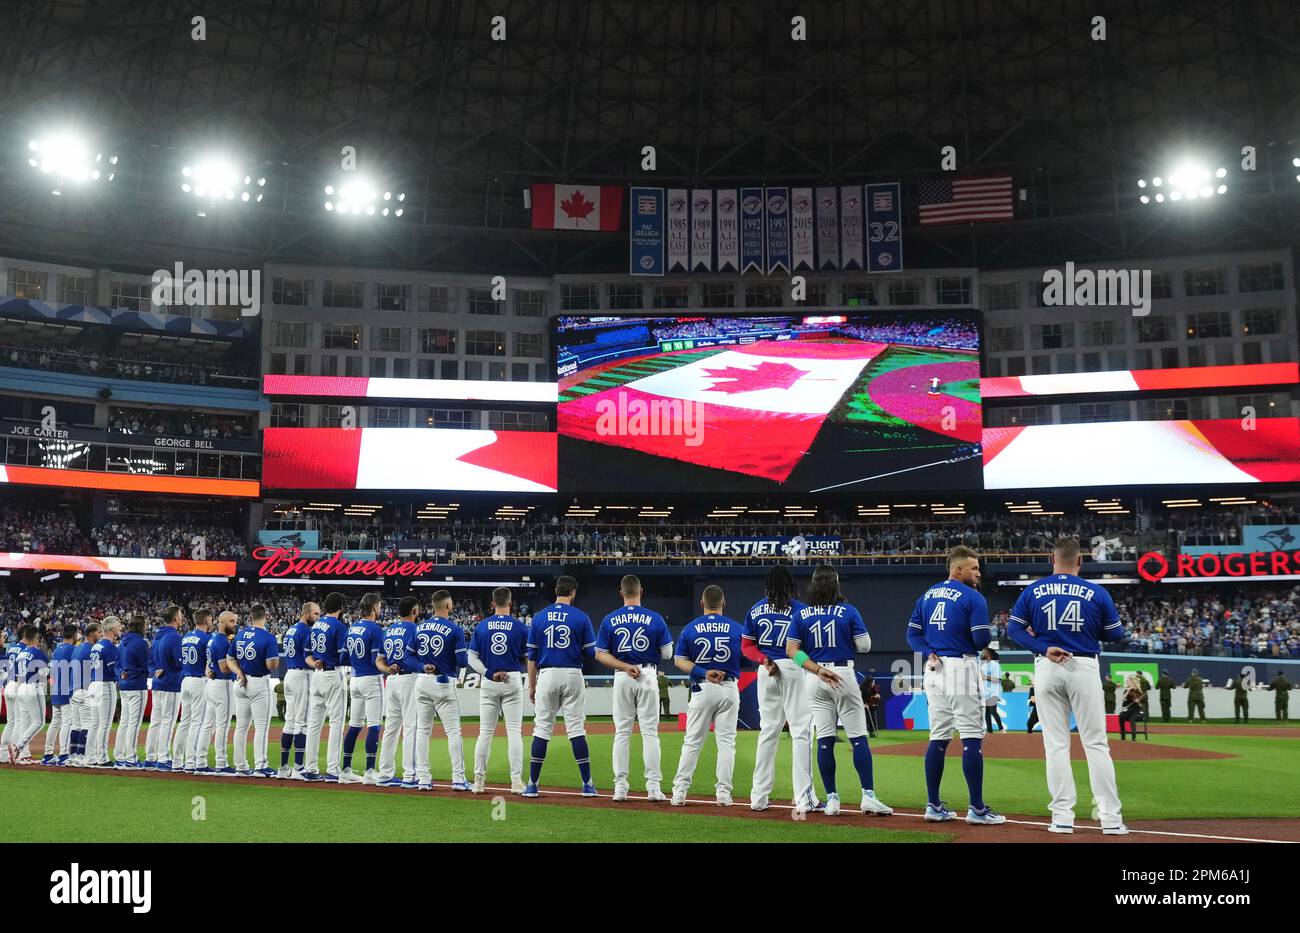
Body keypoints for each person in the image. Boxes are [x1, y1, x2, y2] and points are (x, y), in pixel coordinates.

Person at [1008, 537, 1128, 835]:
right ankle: (1110, 819)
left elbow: (1013, 629)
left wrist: (1042, 646)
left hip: (1047, 665)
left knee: (1056, 746)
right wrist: (1091, 627)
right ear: (1080, 561)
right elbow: (1117, 634)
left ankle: (1062, 817)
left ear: (1052, 558)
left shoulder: (1033, 590)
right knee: (1096, 744)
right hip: (1083, 664)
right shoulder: (1096, 591)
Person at [906, 545, 1005, 825]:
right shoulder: (973, 596)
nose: (978, 573)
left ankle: (933, 805)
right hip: (961, 665)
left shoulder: (927, 594)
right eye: (974, 568)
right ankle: (977, 809)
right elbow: (981, 640)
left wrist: (929, 650)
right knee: (972, 736)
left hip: (933, 669)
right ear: (958, 569)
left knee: (938, 737)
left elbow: (912, 634)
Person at [787, 565, 892, 817]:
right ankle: (868, 796)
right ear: (835, 584)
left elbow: (791, 650)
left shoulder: (802, 614)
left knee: (824, 739)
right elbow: (865, 645)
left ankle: (832, 799)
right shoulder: (848, 610)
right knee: (858, 737)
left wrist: (816, 669)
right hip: (843, 675)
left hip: (815, 676)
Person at [741, 564, 817, 813]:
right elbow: (807, 648)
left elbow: (747, 646)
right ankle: (805, 799)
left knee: (768, 732)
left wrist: (764, 660)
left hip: (766, 670)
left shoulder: (755, 608)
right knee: (801, 733)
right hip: (794, 668)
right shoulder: (801, 610)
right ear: (790, 584)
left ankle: (758, 798)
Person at [594, 575, 672, 803]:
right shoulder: (655, 618)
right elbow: (667, 653)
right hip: (647, 674)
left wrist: (625, 665)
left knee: (622, 732)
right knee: (650, 732)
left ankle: (620, 787)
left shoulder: (610, 619)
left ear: (621, 593)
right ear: (641, 591)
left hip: (622, 674)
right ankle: (654, 788)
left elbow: (600, 654)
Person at [524, 575, 597, 798]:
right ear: (573, 592)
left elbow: (532, 656)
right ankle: (587, 784)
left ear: (556, 590)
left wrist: (532, 685)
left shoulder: (539, 617)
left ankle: (532, 784)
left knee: (542, 729)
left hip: (546, 674)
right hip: (572, 672)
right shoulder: (581, 617)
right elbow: (590, 653)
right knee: (576, 729)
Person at [671, 584, 743, 807]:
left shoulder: (691, 628)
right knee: (726, 744)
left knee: (692, 742)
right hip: (729, 688)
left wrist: (703, 671)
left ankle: (680, 792)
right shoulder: (736, 628)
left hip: (702, 686)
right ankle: (723, 794)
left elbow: (679, 660)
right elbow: (749, 658)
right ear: (724, 603)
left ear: (702, 603)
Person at [412, 589, 470, 791]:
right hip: (444, 681)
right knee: (453, 732)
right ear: (448, 605)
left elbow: (408, 657)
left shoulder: (419, 628)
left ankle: (423, 779)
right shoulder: (454, 629)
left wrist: (422, 666)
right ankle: (458, 779)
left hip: (421, 681)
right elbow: (462, 661)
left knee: (422, 732)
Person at [229, 604, 280, 777]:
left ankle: (241, 766)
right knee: (261, 727)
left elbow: (229, 659)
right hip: (258, 683)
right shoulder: (268, 637)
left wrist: (239, 673)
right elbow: (271, 665)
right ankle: (260, 765)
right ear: (266, 615)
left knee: (241, 726)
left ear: (250, 616)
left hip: (241, 682)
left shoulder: (240, 634)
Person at [339, 592, 386, 784]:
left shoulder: (351, 628)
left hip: (355, 680)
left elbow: (343, 658)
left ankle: (346, 769)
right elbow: (377, 660)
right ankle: (369, 771)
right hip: (371, 679)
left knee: (355, 725)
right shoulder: (375, 630)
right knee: (374, 725)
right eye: (380, 606)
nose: (380, 609)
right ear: (374, 607)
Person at [376, 596, 423, 789]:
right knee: (411, 726)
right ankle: (410, 775)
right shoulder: (415, 629)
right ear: (414, 611)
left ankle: (385, 773)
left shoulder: (388, 630)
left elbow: (379, 661)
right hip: (408, 679)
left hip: (392, 679)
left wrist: (388, 670)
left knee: (391, 728)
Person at [302, 592, 348, 781]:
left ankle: (310, 768)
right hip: (332, 674)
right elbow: (343, 656)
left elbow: (307, 654)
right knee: (336, 723)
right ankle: (332, 769)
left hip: (317, 675)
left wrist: (315, 664)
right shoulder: (339, 626)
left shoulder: (316, 626)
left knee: (314, 724)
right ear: (341, 608)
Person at [194, 611, 239, 774]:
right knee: (222, 725)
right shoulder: (222, 642)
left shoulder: (212, 639)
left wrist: (209, 671)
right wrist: (239, 667)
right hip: (222, 685)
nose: (235, 624)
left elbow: (208, 665)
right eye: (232, 621)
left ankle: (200, 761)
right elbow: (224, 668)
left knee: (207, 725)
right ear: (222, 622)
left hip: (211, 684)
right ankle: (221, 762)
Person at [277, 602, 318, 779]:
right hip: (303, 675)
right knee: (302, 723)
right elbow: (312, 654)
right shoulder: (306, 631)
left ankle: (283, 767)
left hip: (289, 674)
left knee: (290, 722)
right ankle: (299, 768)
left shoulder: (290, 630)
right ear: (306, 613)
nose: (317, 618)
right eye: (315, 614)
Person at [144, 605, 183, 771]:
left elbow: (150, 660)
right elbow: (179, 661)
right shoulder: (174, 637)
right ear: (175, 619)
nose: (182, 618)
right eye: (180, 615)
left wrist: (155, 671)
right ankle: (163, 757)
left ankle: (150, 757)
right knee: (168, 721)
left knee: (156, 721)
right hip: (171, 683)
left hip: (158, 683)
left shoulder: (157, 636)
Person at [175, 610, 211, 773]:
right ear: (207, 620)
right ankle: (191, 761)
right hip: (199, 680)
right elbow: (209, 663)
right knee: (198, 722)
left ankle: (177, 761)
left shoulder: (186, 637)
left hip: (186, 679)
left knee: (184, 722)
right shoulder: (206, 638)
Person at [6, 625, 48, 764]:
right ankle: (18, 746)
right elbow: (43, 674)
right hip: (33, 687)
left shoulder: (21, 653)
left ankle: (21, 753)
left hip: (21, 687)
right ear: (36, 638)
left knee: (24, 721)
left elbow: (18, 675)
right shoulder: (37, 652)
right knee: (39, 722)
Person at [113, 615, 150, 769]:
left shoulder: (122, 643)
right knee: (133, 724)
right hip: (137, 684)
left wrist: (122, 676)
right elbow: (147, 664)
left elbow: (117, 664)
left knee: (124, 722)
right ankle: (131, 758)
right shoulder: (140, 643)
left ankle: (119, 756)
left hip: (124, 685)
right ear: (141, 626)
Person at [40, 624, 79, 765]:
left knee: (55, 721)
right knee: (67, 722)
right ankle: (63, 754)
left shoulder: (57, 649)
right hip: (67, 689)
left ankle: (48, 754)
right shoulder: (73, 649)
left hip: (56, 688)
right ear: (74, 635)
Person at [67, 622, 101, 767]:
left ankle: (72, 755)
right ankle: (82, 756)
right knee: (87, 724)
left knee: (76, 724)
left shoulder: (77, 647)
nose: (100, 635)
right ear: (92, 634)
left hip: (73, 689)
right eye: (99, 632)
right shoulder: (91, 649)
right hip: (84, 689)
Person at [981, 647, 1003, 733]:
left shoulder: (995, 665)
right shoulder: (982, 665)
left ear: (988, 654)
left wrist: (985, 677)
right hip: (985, 693)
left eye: (983, 652)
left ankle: (1001, 728)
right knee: (986, 713)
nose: (982, 654)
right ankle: (990, 731)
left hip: (994, 692)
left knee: (993, 711)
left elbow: (998, 679)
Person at [1118, 675, 1145, 740]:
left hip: (1136, 710)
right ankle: (1123, 732)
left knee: (1132, 718)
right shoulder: (1126, 691)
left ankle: (1134, 736)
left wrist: (1138, 701)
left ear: (1132, 682)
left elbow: (1142, 702)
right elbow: (1124, 698)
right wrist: (1129, 689)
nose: (1127, 682)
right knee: (1121, 716)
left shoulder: (1138, 691)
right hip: (1128, 710)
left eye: (1128, 681)